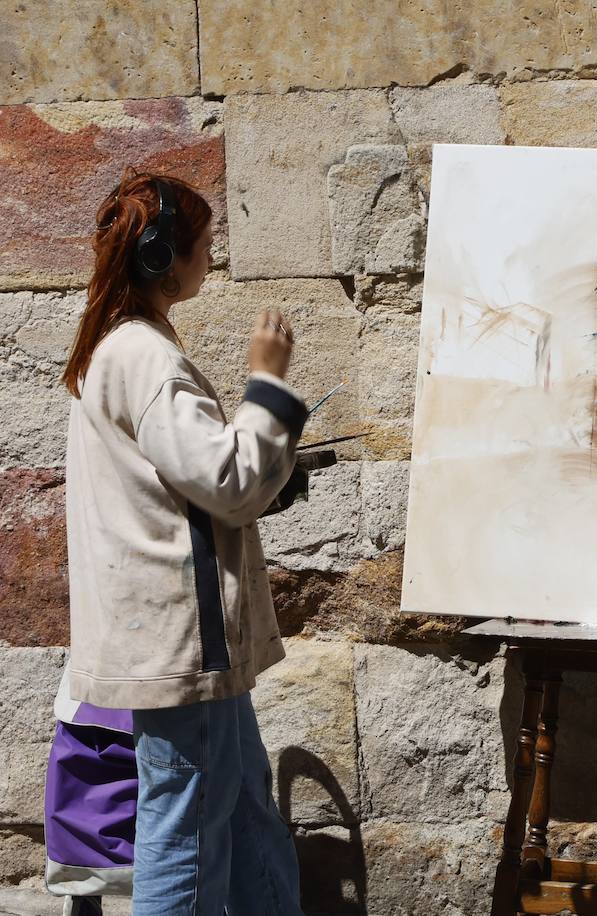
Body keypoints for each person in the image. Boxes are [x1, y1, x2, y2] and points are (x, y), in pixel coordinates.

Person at [60, 169, 308, 915]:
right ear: (162, 257)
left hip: (190, 645)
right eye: (204, 243)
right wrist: (267, 386)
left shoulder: (127, 348)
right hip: (182, 644)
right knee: (186, 832)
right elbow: (229, 482)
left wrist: (269, 455)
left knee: (242, 807)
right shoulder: (143, 355)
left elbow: (190, 480)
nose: (212, 256)